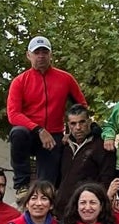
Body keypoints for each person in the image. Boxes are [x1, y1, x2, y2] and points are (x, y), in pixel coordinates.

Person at [7, 36, 87, 192]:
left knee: (47, 186)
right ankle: (21, 185)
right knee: (17, 133)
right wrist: (38, 129)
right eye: (36, 52)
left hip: (54, 135)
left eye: (45, 52)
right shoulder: (19, 81)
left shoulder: (66, 79)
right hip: (30, 133)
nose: (41, 56)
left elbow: (82, 107)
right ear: (28, 55)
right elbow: (13, 114)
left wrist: (70, 133)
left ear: (51, 55)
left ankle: (46, 206)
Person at [57, 105, 116, 216]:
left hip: (86, 211)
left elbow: (107, 180)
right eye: (73, 124)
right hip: (61, 211)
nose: (78, 127)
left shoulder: (102, 146)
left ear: (89, 122)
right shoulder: (64, 146)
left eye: (82, 122)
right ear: (69, 125)